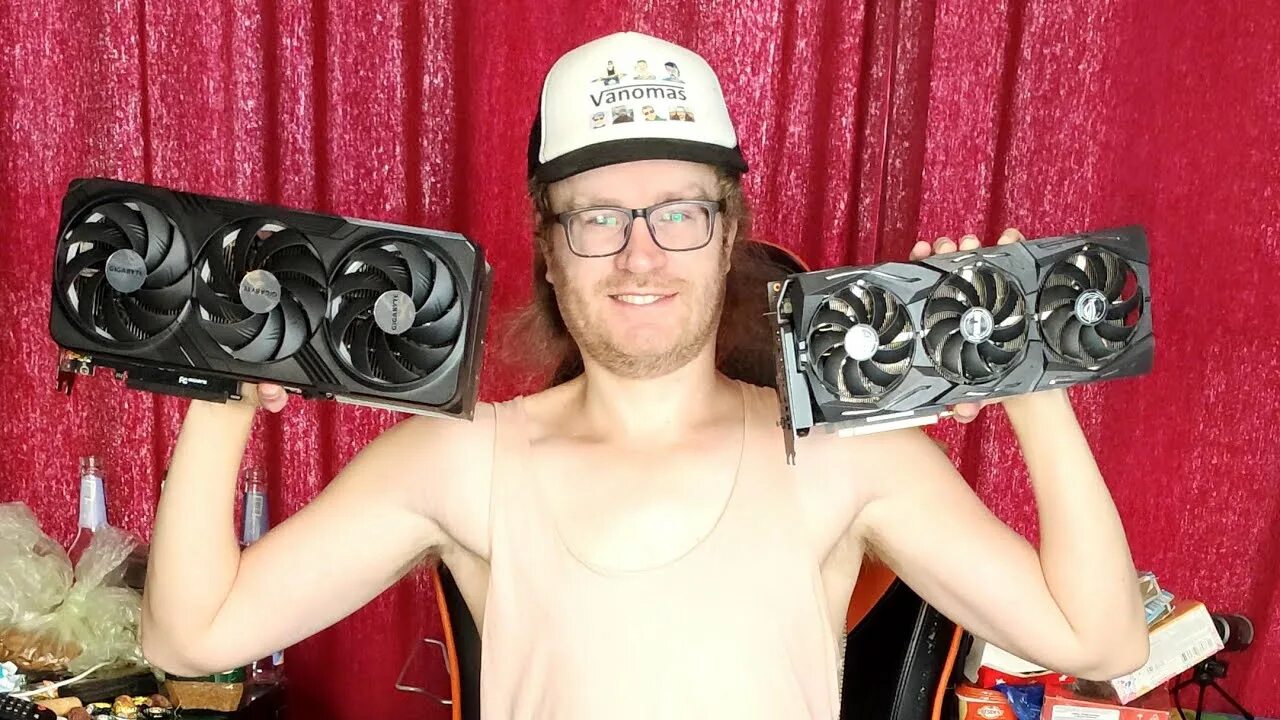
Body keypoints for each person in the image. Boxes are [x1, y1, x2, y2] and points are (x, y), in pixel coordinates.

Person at [141, 31, 1148, 719]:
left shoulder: (845, 459)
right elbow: (192, 639)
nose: (640, 255)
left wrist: (1024, 369)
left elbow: (1100, 641)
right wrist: (227, 386)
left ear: (726, 235)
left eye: (677, 213)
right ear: (548, 248)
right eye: (597, 218)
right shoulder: (460, 460)